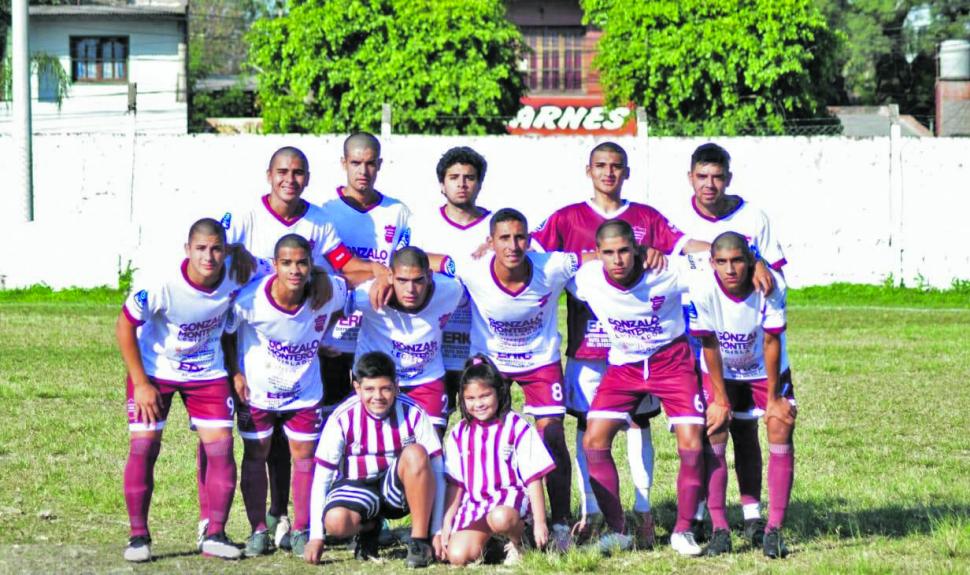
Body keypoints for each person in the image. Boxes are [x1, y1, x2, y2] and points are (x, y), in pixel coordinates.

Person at [531, 141, 708, 546]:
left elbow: (691, 252)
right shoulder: (568, 224)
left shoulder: (647, 222)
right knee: (589, 431)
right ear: (588, 170)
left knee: (649, 428)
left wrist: (736, 253)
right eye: (601, 166)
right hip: (595, 351)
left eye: (616, 166)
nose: (609, 173)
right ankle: (598, 515)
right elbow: (535, 258)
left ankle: (655, 516)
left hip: (662, 358)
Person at [219, 145, 382, 551]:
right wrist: (232, 250)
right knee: (252, 447)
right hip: (253, 361)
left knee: (300, 450)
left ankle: (298, 524)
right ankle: (252, 521)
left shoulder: (320, 223)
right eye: (282, 171)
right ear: (268, 174)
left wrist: (383, 274)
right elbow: (207, 249)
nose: (289, 179)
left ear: (308, 178)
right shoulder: (242, 219)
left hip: (301, 369)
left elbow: (344, 271)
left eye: (298, 172)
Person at [569, 220, 731, 556]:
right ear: (597, 254)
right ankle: (619, 530)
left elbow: (717, 257)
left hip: (671, 362)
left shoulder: (667, 270)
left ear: (638, 250)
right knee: (593, 440)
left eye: (625, 251)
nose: (618, 260)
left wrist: (756, 261)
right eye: (609, 253)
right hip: (623, 367)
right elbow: (538, 263)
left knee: (690, 443)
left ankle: (683, 530)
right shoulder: (586, 278)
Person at [117, 217, 269, 562]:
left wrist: (319, 277)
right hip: (156, 372)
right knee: (144, 446)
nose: (209, 257)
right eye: (201, 248)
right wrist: (141, 383)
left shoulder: (238, 268)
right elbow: (124, 325)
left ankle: (214, 533)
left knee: (221, 448)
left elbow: (286, 267)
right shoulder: (161, 283)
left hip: (207, 372)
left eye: (217, 248)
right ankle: (138, 537)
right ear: (188, 249)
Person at [660, 142, 783, 544]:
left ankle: (751, 514)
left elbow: (773, 275)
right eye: (702, 176)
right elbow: (665, 258)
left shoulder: (753, 216)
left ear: (728, 178)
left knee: (746, 432)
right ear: (690, 177)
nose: (710, 184)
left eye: (717, 176)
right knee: (709, 430)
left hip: (744, 340)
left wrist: (758, 258)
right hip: (694, 342)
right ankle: (703, 517)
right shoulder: (674, 219)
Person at [444, 207, 578, 551]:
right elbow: (429, 261)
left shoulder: (552, 266)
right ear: (490, 242)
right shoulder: (472, 269)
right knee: (480, 440)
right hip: (491, 364)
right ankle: (481, 519)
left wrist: (646, 252)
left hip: (540, 361)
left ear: (530, 239)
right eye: (504, 237)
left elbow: (592, 257)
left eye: (520, 237)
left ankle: (559, 522)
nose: (513, 245)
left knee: (551, 437)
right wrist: (381, 273)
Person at [223, 234, 349, 558]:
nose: (295, 270)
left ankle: (302, 529)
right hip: (258, 393)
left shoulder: (328, 291)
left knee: (304, 458)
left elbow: (340, 303)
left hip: (304, 394)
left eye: (302, 262)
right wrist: (235, 373)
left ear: (312, 265)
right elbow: (227, 333)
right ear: (275, 265)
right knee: (256, 454)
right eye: (287, 263)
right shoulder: (250, 300)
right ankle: (258, 530)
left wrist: (319, 335)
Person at [688, 232, 796, 558]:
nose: (730, 268)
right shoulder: (702, 287)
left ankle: (773, 530)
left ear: (749, 260)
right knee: (715, 427)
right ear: (712, 263)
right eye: (722, 261)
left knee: (779, 424)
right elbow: (708, 344)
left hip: (765, 369)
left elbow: (772, 342)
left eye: (737, 260)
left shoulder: (770, 284)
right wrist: (720, 400)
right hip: (722, 370)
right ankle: (720, 529)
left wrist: (775, 398)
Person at [304, 351, 446, 568]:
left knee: (416, 453)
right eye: (369, 389)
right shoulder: (342, 417)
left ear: (396, 386)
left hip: (397, 492)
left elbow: (437, 469)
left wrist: (437, 530)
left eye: (385, 388)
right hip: (357, 487)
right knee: (335, 522)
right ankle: (369, 528)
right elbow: (322, 476)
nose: (377, 396)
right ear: (357, 387)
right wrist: (316, 536)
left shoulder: (414, 412)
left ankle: (419, 541)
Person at [318, 132, 412, 422]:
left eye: (370, 163)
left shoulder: (397, 212)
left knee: (378, 419)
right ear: (344, 163)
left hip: (379, 331)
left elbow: (404, 267)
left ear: (380, 164)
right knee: (331, 418)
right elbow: (335, 268)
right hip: (334, 335)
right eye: (356, 162)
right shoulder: (326, 213)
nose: (363, 171)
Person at [441, 355, 554, 566]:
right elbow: (455, 484)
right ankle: (493, 544)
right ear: (462, 399)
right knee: (457, 556)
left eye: (485, 396)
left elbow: (534, 478)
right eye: (471, 399)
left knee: (501, 518)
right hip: (476, 505)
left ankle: (521, 541)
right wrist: (446, 523)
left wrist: (540, 522)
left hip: (509, 503)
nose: (478, 404)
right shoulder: (459, 433)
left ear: (499, 392)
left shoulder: (516, 425)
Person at [409, 146, 492, 425]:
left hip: (481, 341)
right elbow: (401, 266)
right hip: (433, 344)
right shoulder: (421, 224)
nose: (462, 183)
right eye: (454, 177)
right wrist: (442, 262)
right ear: (442, 185)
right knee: (432, 428)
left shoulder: (495, 227)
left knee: (483, 427)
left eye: (469, 177)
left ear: (479, 183)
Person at [353, 246, 465, 432]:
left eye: (418, 280)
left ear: (429, 276)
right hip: (377, 380)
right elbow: (330, 301)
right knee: (376, 443)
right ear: (390, 276)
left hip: (426, 379)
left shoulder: (451, 289)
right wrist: (321, 338)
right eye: (402, 280)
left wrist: (444, 259)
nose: (410, 289)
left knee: (432, 447)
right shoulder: (367, 295)